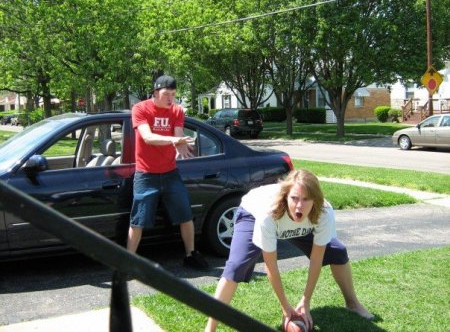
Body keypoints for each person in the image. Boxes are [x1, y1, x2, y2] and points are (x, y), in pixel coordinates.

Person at [205, 169, 373, 331]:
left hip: (292, 224)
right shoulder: (267, 214)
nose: (299, 205)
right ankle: (209, 329)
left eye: (306, 199)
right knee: (236, 266)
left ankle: (352, 303)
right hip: (252, 214)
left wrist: (305, 301)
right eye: (294, 198)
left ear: (316, 200)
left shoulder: (324, 212)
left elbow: (316, 259)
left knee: (337, 251)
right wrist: (285, 306)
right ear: (286, 197)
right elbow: (271, 266)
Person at [127, 74, 209, 270]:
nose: (170, 98)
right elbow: (147, 137)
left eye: (173, 94)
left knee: (185, 215)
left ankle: (190, 255)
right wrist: (173, 141)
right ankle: (128, 262)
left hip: (170, 173)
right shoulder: (140, 109)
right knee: (138, 220)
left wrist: (180, 144)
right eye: (166, 94)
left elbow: (179, 136)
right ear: (155, 92)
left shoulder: (177, 110)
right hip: (145, 175)